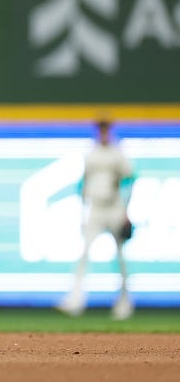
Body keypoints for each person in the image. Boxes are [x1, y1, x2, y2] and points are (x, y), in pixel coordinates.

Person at [57, 118, 135, 320]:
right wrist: (82, 213)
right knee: (84, 254)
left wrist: (126, 211)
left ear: (110, 131)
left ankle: (124, 303)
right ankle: (75, 301)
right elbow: (84, 184)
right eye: (100, 129)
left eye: (106, 129)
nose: (103, 133)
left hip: (115, 208)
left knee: (119, 259)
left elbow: (130, 180)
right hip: (95, 209)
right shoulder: (91, 154)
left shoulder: (118, 154)